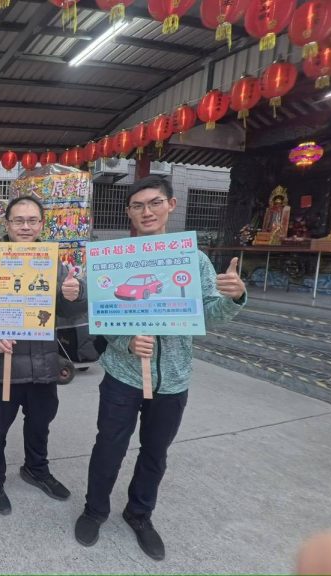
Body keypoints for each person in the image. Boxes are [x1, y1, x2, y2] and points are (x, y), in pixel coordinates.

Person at [74, 176, 247, 561]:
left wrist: (234, 298)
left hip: (173, 379)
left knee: (155, 452)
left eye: (154, 203)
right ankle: (94, 509)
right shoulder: (116, 259)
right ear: (128, 212)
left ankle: (139, 514)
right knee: (109, 446)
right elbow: (103, 314)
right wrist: (126, 341)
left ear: (171, 205)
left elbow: (208, 316)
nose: (147, 211)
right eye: (138, 205)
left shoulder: (193, 260)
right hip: (122, 376)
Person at [0, 195, 86, 515]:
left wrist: (75, 295)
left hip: (42, 363)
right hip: (3, 363)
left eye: (32, 221)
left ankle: (36, 469)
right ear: (7, 224)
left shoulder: (53, 262)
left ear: (41, 224)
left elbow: (68, 312)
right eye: (18, 220)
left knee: (40, 423)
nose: (25, 226)